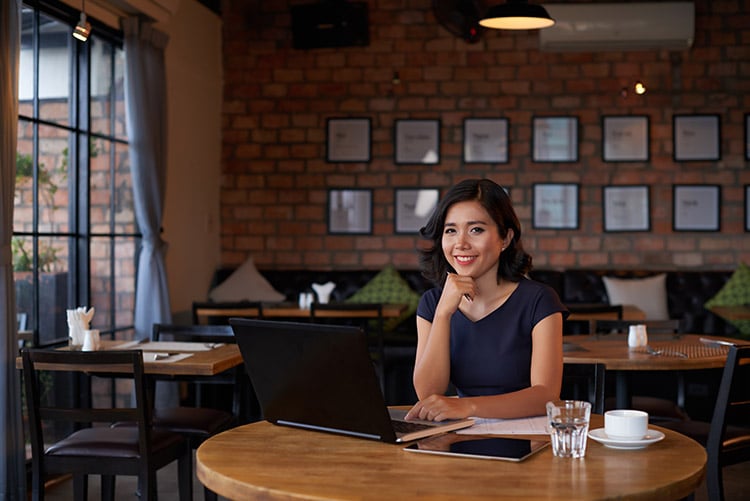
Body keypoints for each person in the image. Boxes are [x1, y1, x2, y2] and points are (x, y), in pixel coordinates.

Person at [405, 178, 567, 422]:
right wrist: (443, 314)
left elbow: (546, 395)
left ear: (505, 238)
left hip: (525, 439)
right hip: (458, 439)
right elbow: (429, 394)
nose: (461, 243)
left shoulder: (539, 301)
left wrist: (468, 406)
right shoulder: (432, 303)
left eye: (476, 229)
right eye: (451, 230)